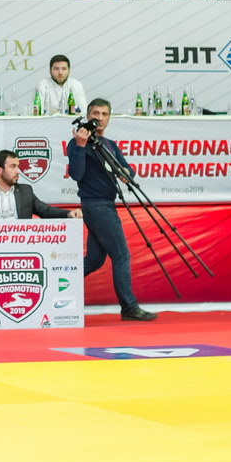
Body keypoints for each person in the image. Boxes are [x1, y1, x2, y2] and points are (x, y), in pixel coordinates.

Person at [68, 99, 158, 321]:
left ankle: (56, 281)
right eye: (95, 113)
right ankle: (129, 307)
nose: (100, 118)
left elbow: (126, 168)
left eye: (105, 114)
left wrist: (126, 173)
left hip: (104, 204)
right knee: (121, 255)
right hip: (96, 205)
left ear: (109, 118)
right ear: (88, 115)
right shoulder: (77, 142)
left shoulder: (109, 144)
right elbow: (76, 174)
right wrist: (80, 145)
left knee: (95, 260)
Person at [0, 150, 82, 220]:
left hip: (22, 246)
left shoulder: (26, 191)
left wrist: (68, 213)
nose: (18, 171)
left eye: (18, 167)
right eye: (13, 166)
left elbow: (45, 211)